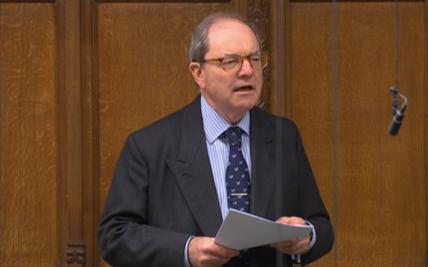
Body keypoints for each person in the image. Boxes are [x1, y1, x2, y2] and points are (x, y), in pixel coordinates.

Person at [97, 12, 334, 267]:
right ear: (198, 73)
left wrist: (305, 236)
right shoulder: (149, 146)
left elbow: (321, 227)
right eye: (230, 61)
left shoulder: (283, 135)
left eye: (254, 59)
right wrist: (187, 250)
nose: (247, 71)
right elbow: (115, 236)